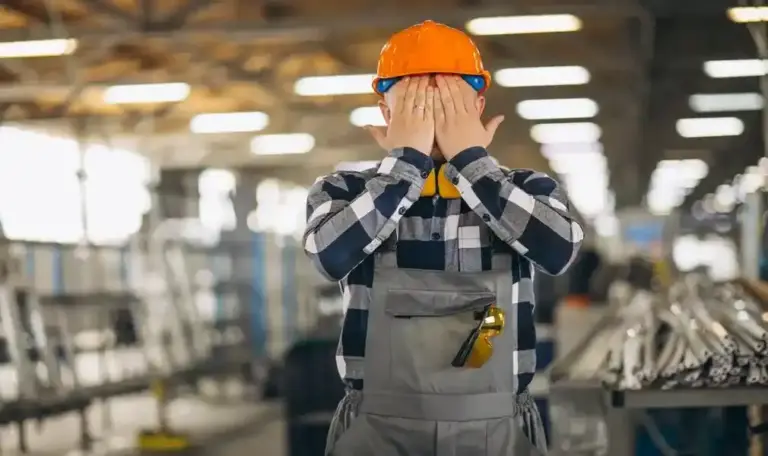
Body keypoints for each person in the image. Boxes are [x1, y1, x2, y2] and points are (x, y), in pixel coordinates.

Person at [303, 20, 584, 456]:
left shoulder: (527, 191)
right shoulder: (344, 192)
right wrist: (405, 166)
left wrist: (473, 162)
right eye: (417, 104)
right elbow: (328, 256)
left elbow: (560, 250)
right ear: (386, 113)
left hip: (497, 430)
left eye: (448, 104)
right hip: (377, 431)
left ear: (478, 105)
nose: (434, 118)